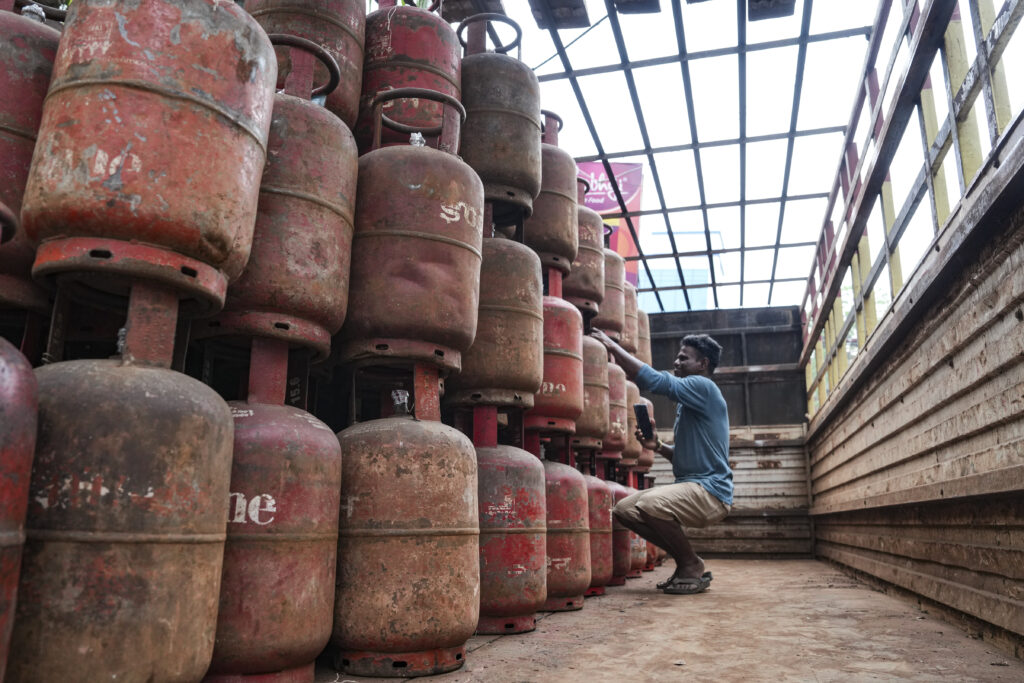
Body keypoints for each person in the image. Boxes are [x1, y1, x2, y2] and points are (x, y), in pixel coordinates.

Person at [590, 328, 732, 595]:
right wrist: (658, 447)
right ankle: (687, 561)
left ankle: (690, 563)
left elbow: (657, 382)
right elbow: (685, 455)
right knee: (624, 509)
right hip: (694, 488)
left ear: (703, 364)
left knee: (648, 503)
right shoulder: (690, 403)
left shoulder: (703, 386)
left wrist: (612, 346)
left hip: (711, 492)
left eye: (683, 358)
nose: (676, 362)